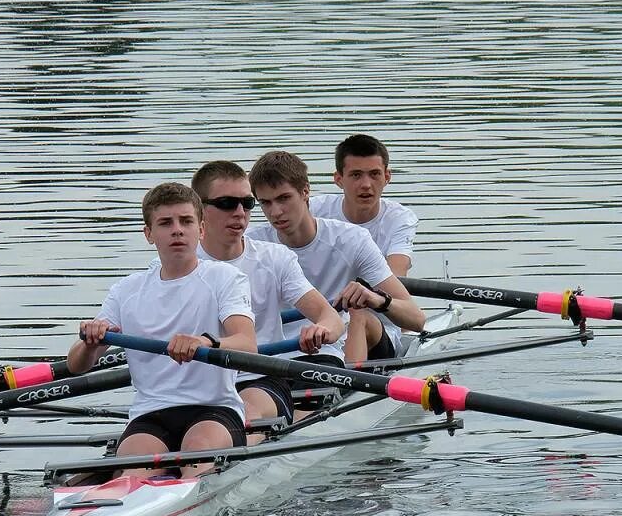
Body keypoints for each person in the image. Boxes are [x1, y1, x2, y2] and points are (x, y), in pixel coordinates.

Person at [67, 182, 256, 479]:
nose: (177, 230)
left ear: (201, 230)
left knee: (196, 456)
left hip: (214, 410)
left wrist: (206, 343)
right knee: (131, 478)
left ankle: (190, 491)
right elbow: (76, 366)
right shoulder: (126, 291)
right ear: (148, 234)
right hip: (151, 414)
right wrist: (89, 343)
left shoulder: (226, 278)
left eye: (186, 221)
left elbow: (247, 344)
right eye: (166, 223)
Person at [191, 160, 344, 427]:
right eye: (227, 203)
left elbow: (330, 318)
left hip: (261, 377)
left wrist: (321, 330)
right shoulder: (176, 266)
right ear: (199, 210)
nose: (240, 213)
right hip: (197, 383)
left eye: (247, 204)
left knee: (244, 416)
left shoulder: (274, 259)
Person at [246, 151, 425, 361]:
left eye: (284, 198)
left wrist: (375, 299)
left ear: (305, 192)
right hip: (284, 350)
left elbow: (417, 319)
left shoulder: (352, 240)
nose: (275, 212)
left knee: (356, 310)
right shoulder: (252, 245)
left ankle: (345, 388)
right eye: (266, 203)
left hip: (350, 342)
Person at [309, 134, 417, 277]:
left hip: (376, 296)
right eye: (356, 175)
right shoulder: (312, 210)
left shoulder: (400, 218)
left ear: (387, 177)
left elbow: (397, 276)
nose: (366, 185)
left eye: (374, 174)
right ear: (338, 179)